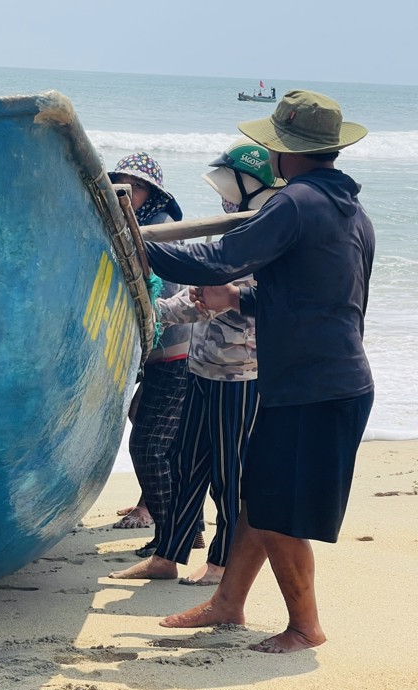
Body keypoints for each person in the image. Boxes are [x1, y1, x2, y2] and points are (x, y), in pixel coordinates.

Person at [141, 90, 374, 653]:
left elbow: (220, 256)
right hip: (323, 378)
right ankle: (228, 604)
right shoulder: (350, 210)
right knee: (257, 496)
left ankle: (304, 625)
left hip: (314, 386)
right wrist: (238, 300)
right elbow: (319, 296)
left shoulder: (295, 203)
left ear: (282, 151)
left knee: (279, 511)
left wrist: (138, 245)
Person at [110, 140, 283, 586]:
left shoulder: (267, 237)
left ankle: (222, 565)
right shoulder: (229, 234)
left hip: (240, 376)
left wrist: (219, 298)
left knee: (229, 475)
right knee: (187, 464)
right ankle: (167, 556)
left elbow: (264, 301)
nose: (224, 197)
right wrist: (154, 312)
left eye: (232, 189)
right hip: (200, 368)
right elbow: (196, 296)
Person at [107, 153, 191, 557]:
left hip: (174, 352)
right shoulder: (132, 227)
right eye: (120, 183)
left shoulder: (159, 230)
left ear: (152, 193)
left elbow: (168, 298)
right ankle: (176, 527)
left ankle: (178, 535)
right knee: (150, 428)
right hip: (152, 353)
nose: (127, 192)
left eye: (135, 186)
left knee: (151, 444)